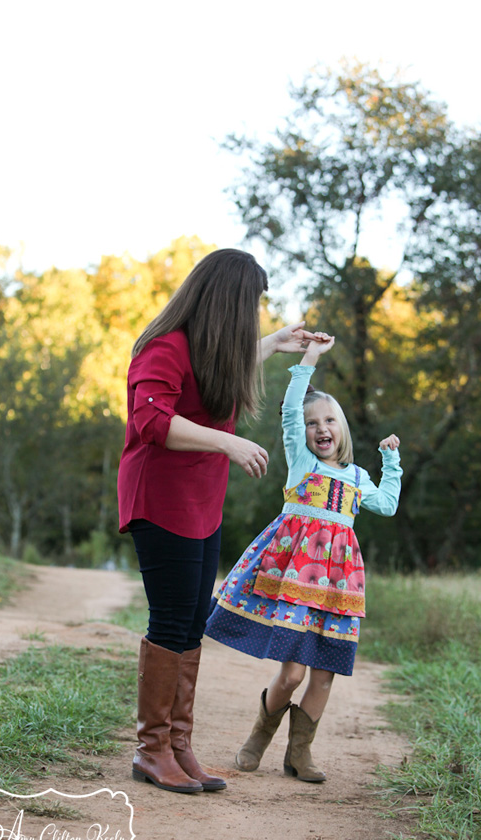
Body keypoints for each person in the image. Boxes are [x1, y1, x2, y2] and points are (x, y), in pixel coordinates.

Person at [117, 247, 320, 794]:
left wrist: (275, 343)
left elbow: (213, 373)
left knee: (191, 623)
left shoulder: (204, 349)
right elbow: (153, 420)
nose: (254, 311)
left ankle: (179, 744)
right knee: (171, 620)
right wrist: (228, 441)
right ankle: (151, 748)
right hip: (160, 499)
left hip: (201, 504)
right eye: (251, 302)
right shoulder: (163, 346)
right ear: (228, 300)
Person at [205, 333, 402, 782]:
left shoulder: (356, 477)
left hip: (338, 584)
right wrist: (310, 359)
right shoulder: (302, 464)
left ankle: (300, 754)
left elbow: (387, 505)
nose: (321, 428)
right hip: (297, 579)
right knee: (292, 673)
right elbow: (292, 409)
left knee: (325, 673)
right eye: (313, 423)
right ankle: (258, 736)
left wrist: (391, 462)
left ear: (343, 427)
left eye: (329, 420)